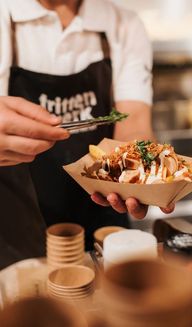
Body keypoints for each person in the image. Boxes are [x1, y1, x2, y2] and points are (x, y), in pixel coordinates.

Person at [0, 0, 174, 267]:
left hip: (106, 216)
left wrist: (144, 179)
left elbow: (134, 124)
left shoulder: (123, 25)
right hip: (16, 224)